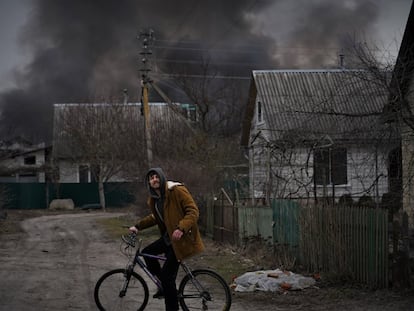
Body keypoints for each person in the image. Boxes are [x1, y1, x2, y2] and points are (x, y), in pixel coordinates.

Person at [129, 167, 205, 311]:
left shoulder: (176, 190)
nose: (154, 180)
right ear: (149, 183)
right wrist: (137, 226)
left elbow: (193, 211)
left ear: (162, 177)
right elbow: (155, 218)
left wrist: (181, 228)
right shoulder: (154, 199)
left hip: (182, 239)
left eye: (156, 176)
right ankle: (164, 288)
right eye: (151, 178)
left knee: (167, 276)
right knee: (147, 253)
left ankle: (172, 306)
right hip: (169, 238)